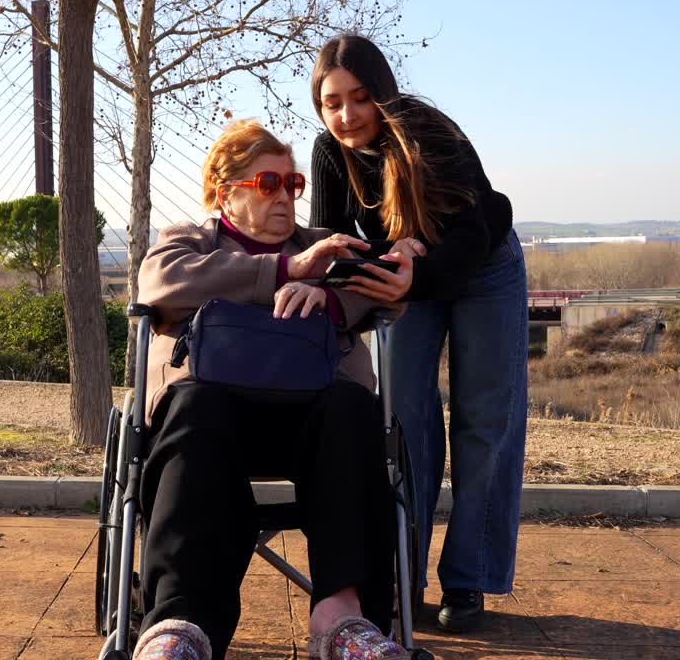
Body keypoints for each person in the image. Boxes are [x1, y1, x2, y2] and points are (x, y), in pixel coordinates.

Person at [131, 119, 416, 660]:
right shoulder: (189, 242)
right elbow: (160, 283)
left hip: (309, 418)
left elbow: (378, 288)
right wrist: (286, 271)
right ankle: (180, 625)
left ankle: (343, 619)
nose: (286, 195)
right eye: (268, 183)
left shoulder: (324, 246)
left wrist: (330, 298)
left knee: (354, 407)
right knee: (193, 404)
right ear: (224, 193)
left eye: (294, 184)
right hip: (215, 423)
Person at [307, 34, 528, 634]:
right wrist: (352, 264)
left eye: (359, 98)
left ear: (383, 93)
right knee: (403, 421)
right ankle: (403, 575)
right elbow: (330, 237)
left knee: (486, 419)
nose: (347, 115)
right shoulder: (330, 151)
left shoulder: (429, 134)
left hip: (482, 267)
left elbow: (475, 230)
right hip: (406, 276)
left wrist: (417, 269)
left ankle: (468, 579)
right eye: (333, 103)